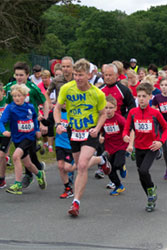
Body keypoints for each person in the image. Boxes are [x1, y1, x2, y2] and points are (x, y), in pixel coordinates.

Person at [54, 58, 109, 217]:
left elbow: (103, 114)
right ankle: (101, 160)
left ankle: (76, 202)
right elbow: (57, 108)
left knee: (83, 165)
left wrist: (97, 129)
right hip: (74, 130)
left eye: (81, 75)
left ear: (88, 75)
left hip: (90, 131)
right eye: (75, 74)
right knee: (79, 166)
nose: (77, 78)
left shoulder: (97, 93)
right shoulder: (66, 88)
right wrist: (58, 124)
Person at [123, 83, 167, 212]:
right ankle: (150, 197)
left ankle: (151, 192)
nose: (141, 99)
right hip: (139, 147)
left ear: (150, 97)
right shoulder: (132, 112)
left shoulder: (155, 113)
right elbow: (127, 128)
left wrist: (160, 141)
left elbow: (166, 128)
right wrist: (125, 136)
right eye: (139, 96)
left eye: (144, 96)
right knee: (141, 174)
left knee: (144, 171)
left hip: (152, 147)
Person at [4, 62, 49, 188]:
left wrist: (43, 121)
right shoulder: (10, 87)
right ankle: (38, 170)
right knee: (25, 155)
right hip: (16, 126)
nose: (19, 78)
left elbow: (44, 102)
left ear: (27, 75)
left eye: (21, 75)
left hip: (31, 125)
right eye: (17, 75)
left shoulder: (32, 87)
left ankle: (29, 175)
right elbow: (7, 104)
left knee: (28, 154)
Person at [0, 84, 47, 195]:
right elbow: (1, 122)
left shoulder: (29, 107)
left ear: (25, 96)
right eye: (14, 96)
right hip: (17, 138)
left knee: (15, 156)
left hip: (29, 137)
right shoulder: (10, 108)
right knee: (28, 164)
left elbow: (34, 118)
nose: (16, 98)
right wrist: (3, 131)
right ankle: (39, 174)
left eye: (19, 96)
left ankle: (18, 184)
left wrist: (37, 129)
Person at [101, 95, 130, 196]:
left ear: (115, 108)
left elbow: (127, 129)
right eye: (106, 108)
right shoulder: (102, 119)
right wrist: (100, 137)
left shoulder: (119, 119)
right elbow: (100, 130)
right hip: (109, 147)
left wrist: (126, 137)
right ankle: (119, 186)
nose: (108, 110)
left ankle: (122, 167)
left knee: (117, 164)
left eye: (110, 108)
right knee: (109, 169)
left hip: (121, 145)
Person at [37, 70, 55, 153]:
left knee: (50, 123)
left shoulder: (53, 84)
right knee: (43, 124)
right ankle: (45, 142)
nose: (44, 80)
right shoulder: (39, 86)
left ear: (49, 77)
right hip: (42, 108)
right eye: (42, 78)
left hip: (53, 107)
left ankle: (50, 145)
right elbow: (38, 100)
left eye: (46, 78)